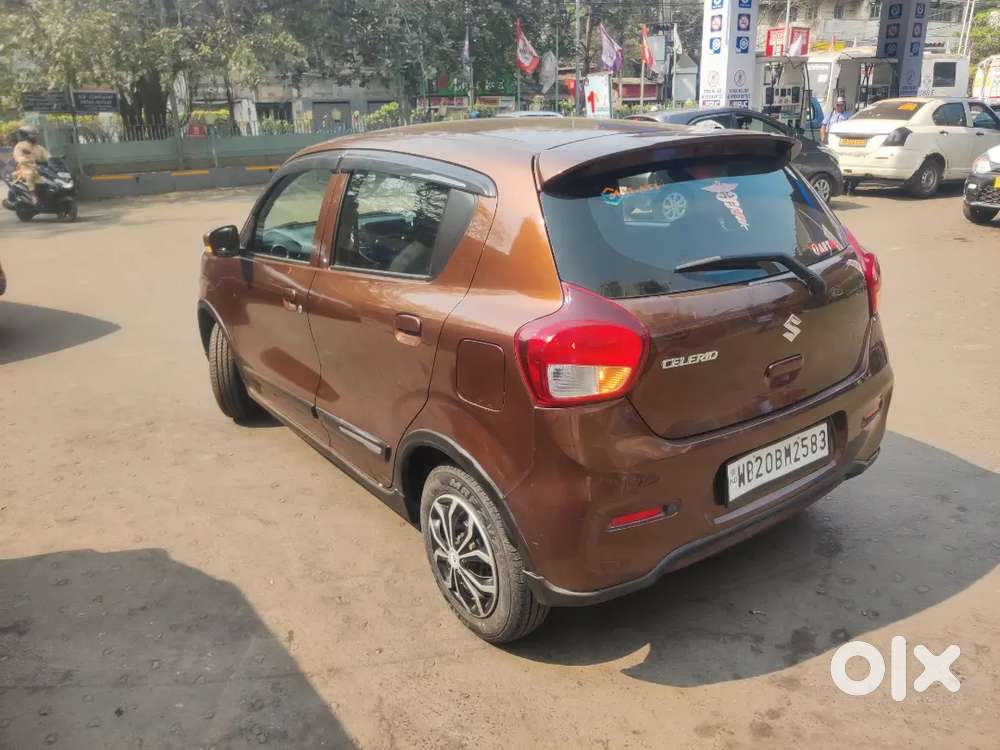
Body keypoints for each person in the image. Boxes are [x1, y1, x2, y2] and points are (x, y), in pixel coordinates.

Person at [12, 126, 50, 203]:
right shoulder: (20, 146)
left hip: (39, 169)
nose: (35, 137)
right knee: (30, 173)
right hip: (24, 169)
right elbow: (18, 157)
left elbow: (47, 156)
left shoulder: (39, 147)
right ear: (27, 136)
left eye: (36, 135)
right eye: (33, 135)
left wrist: (53, 159)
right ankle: (33, 195)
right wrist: (27, 161)